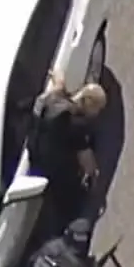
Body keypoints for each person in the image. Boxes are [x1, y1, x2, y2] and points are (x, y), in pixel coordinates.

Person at [29, 71, 107, 231]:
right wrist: (94, 175)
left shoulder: (54, 100)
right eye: (97, 108)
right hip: (55, 170)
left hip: (35, 154)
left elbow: (57, 88)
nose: (97, 114)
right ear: (88, 103)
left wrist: (59, 79)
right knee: (72, 198)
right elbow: (88, 164)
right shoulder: (77, 124)